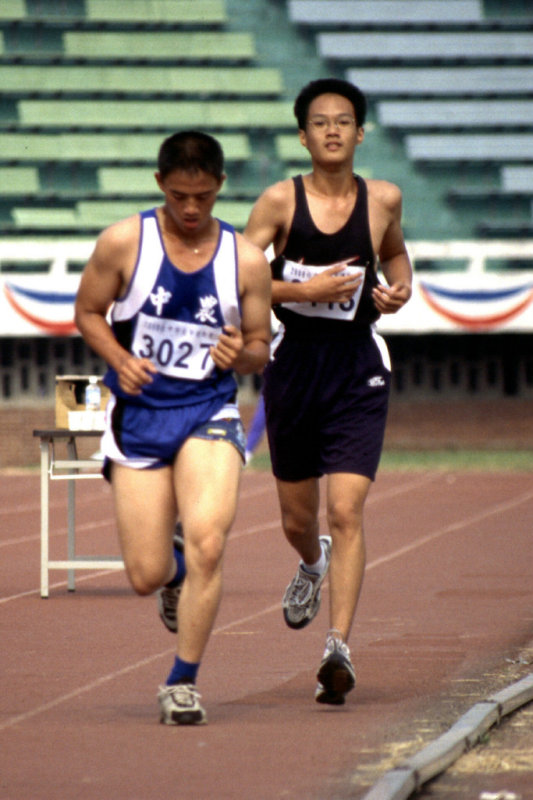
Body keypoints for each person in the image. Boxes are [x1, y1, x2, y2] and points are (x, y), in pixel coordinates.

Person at [75, 131, 271, 725]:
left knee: (212, 539)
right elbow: (88, 311)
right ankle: (173, 571)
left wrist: (242, 354)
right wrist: (119, 359)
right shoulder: (124, 242)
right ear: (161, 184)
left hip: (208, 410)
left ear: (220, 189)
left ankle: (182, 681)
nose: (191, 210)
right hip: (139, 417)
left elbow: (261, 347)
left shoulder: (245, 259)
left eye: (205, 198)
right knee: (145, 574)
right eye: (182, 196)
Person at [244, 78, 412, 706]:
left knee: (347, 511)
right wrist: (300, 293)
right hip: (293, 369)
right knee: (299, 518)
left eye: (344, 121)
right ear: (303, 135)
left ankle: (337, 647)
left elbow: (397, 261)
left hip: (358, 369)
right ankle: (310, 563)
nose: (334, 130)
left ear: (361, 133)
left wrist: (401, 291)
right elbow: (234, 279)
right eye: (320, 122)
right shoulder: (278, 204)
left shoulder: (384, 200)